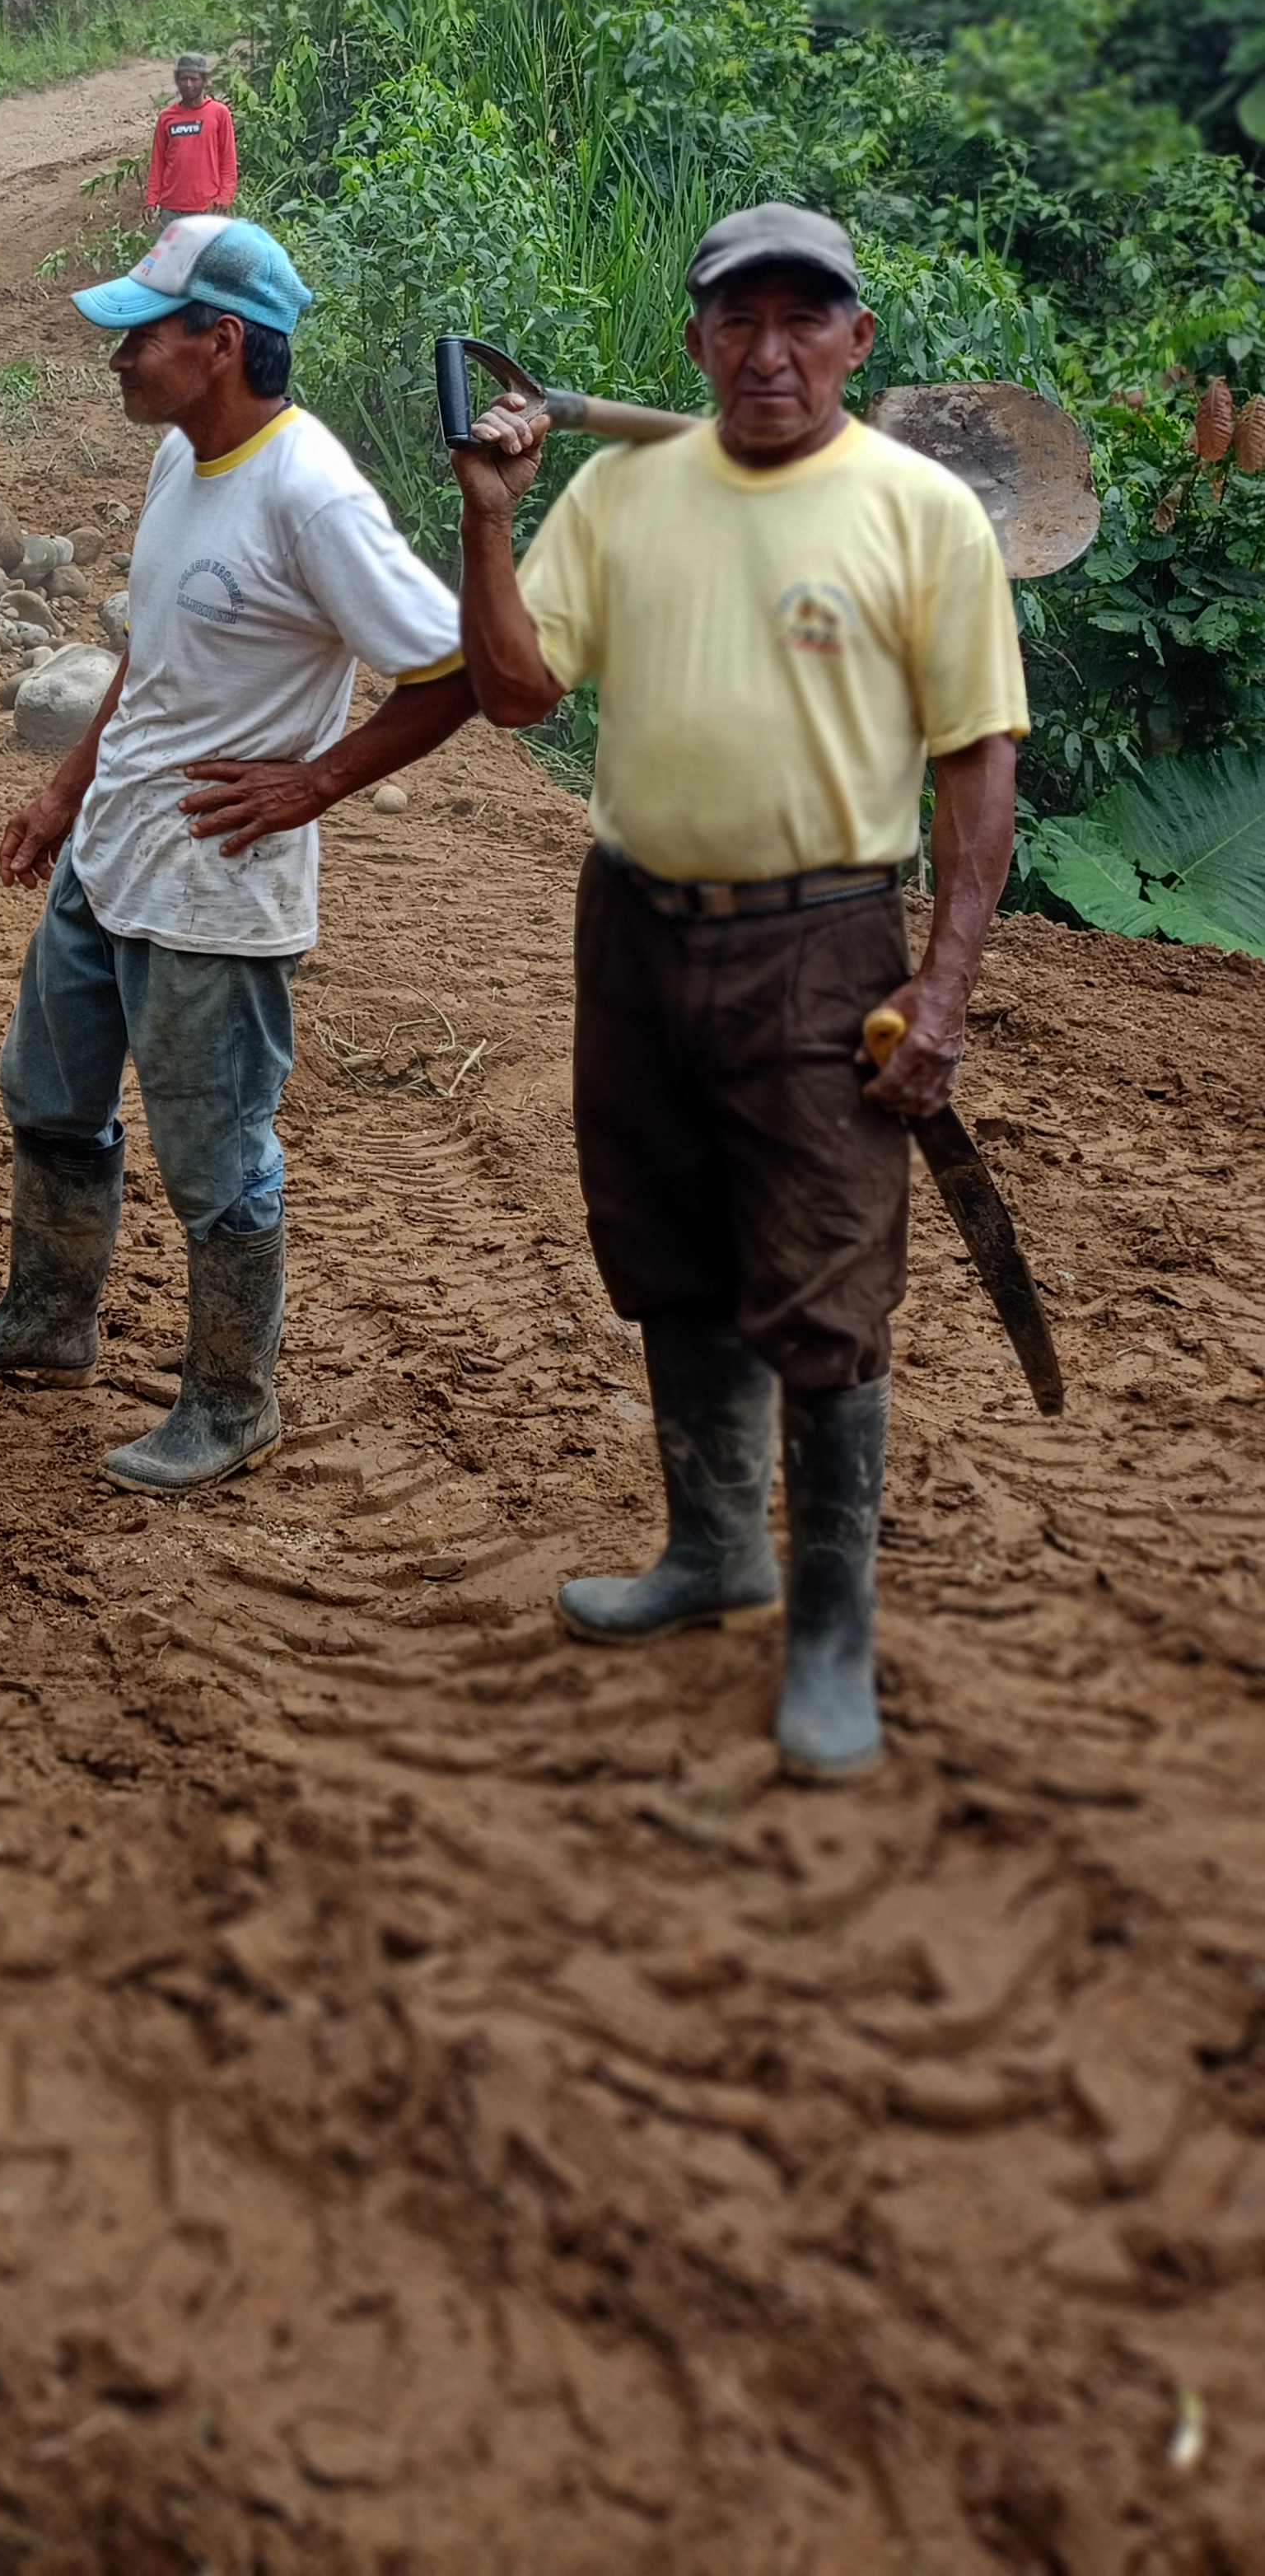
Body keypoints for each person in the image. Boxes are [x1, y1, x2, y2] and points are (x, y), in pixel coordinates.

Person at [450, 202, 1029, 1784]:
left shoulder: (921, 512)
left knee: (825, 1284)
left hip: (819, 938)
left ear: (853, 337)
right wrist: (490, 520)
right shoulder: (621, 491)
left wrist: (944, 988)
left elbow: (975, 763)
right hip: (633, 925)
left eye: (802, 319)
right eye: (737, 321)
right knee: (667, 1245)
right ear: (698, 339)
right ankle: (713, 1546)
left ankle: (828, 1634)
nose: (768, 351)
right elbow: (514, 691)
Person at [0, 213, 478, 1490]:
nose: (115, 356)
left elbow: (459, 671)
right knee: (49, 1095)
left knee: (217, 1162)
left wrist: (316, 782)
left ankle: (231, 1402)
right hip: (113, 851)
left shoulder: (311, 495)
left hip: (216, 891)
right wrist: (67, 787)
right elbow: (153, 652)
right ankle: (48, 1319)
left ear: (222, 342)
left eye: (140, 335)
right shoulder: (184, 455)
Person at [146, 52, 237, 224]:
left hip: (208, 208)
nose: (188, 85)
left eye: (194, 79)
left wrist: (225, 196)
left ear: (204, 80)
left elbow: (228, 159)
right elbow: (158, 163)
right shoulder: (166, 117)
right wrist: (151, 199)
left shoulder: (219, 113)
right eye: (184, 79)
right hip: (171, 208)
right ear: (176, 80)